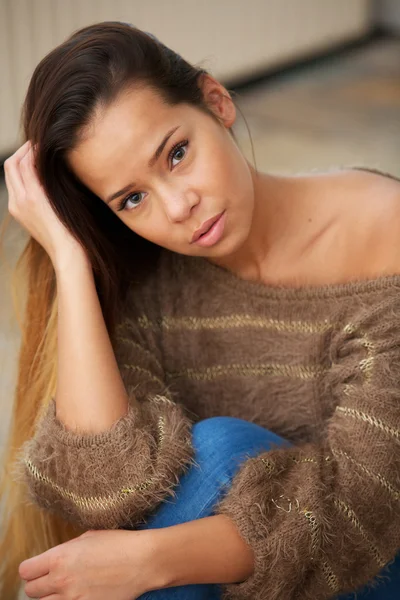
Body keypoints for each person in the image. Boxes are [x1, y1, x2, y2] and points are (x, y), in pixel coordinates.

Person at [0, 20, 399, 600]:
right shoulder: (151, 279)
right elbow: (104, 489)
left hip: (373, 559)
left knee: (215, 453)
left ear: (217, 102)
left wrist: (152, 561)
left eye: (177, 154)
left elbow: (354, 510)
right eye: (132, 199)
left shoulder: (385, 239)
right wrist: (69, 258)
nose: (179, 206)